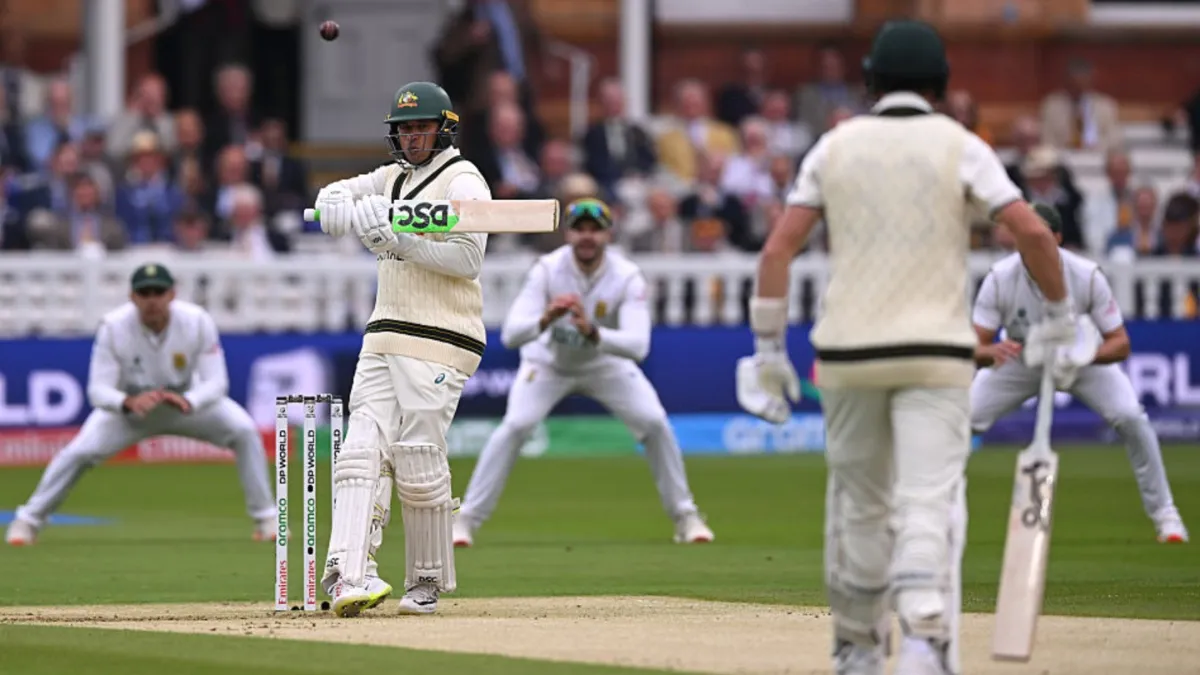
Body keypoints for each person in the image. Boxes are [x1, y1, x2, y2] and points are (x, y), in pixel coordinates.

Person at [735, 20, 1077, 675]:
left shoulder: (834, 145)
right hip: (934, 353)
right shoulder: (961, 145)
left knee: (859, 506)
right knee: (927, 499)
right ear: (940, 85)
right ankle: (923, 640)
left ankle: (858, 647)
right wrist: (1060, 317)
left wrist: (768, 349)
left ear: (870, 82)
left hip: (848, 353)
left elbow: (777, 250)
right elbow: (1034, 233)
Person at [312, 82, 491, 617]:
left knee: (418, 454)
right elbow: (339, 193)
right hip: (383, 330)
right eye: (405, 129)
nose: (412, 137)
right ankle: (349, 574)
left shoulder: (464, 180)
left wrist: (399, 241)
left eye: (421, 128)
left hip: (442, 335)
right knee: (360, 449)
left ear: (443, 129)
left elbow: (468, 259)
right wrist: (333, 202)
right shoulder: (390, 178)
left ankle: (426, 580)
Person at [452, 198, 714, 547]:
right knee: (515, 426)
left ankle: (686, 517)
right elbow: (512, 334)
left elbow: (638, 346)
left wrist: (592, 332)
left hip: (605, 363)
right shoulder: (548, 270)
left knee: (654, 423)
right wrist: (546, 318)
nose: (587, 237)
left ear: (608, 235)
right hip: (548, 364)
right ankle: (466, 520)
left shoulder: (626, 276)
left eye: (595, 230)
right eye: (580, 230)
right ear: (568, 234)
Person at [5, 263, 275, 546]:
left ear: (172, 294)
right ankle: (28, 521)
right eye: (144, 293)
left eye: (159, 292)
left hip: (183, 404)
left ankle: (266, 518)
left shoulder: (196, 321)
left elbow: (217, 383)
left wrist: (189, 400)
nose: (152, 300)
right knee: (79, 452)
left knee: (244, 431)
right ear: (132, 297)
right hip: (132, 412)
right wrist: (127, 402)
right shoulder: (113, 326)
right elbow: (97, 390)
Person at [968, 203, 1189, 544]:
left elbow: (1120, 343)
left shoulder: (1086, 275)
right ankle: (929, 513)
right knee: (961, 419)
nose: (1031, 244)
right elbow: (976, 346)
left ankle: (1166, 515)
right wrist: (992, 352)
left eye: (1039, 237)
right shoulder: (1000, 278)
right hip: (1021, 358)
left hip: (1081, 360)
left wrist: (1085, 356)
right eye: (1025, 236)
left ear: (1057, 238)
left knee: (1131, 417)